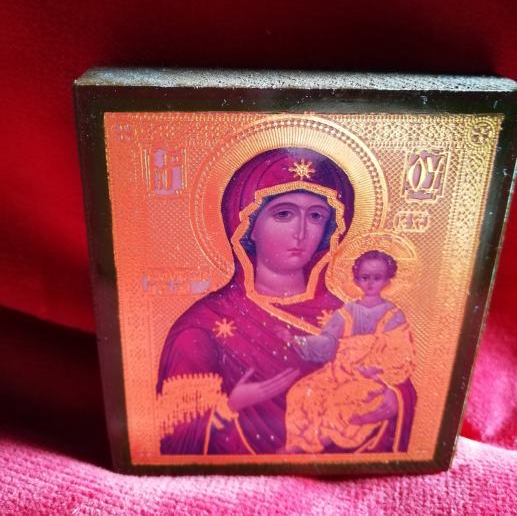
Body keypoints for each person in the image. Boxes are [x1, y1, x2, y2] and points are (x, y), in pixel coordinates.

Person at [156, 147, 415, 455]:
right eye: (283, 214)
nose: (301, 232)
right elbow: (177, 440)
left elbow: (394, 375)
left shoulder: (349, 313)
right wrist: (230, 406)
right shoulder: (203, 326)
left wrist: (395, 398)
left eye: (316, 216)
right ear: (248, 227)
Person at [283, 250, 416, 453]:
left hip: (373, 377)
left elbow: (401, 352)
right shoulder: (346, 312)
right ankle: (298, 442)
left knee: (342, 401)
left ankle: (316, 442)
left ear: (387, 281)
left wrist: (379, 372)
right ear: (356, 280)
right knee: (302, 392)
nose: (370, 283)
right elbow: (328, 343)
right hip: (339, 372)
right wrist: (297, 341)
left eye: (377, 278)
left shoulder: (393, 316)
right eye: (365, 277)